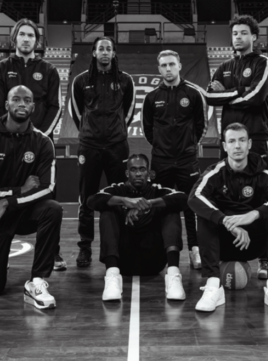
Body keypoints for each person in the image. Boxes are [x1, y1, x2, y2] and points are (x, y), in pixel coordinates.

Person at [0, 85, 62, 309]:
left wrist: (6, 202)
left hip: (20, 212)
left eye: (27, 100)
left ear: (33, 107)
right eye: (16, 99)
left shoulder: (42, 141)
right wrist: (18, 190)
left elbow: (47, 188)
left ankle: (37, 281)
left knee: (52, 209)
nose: (22, 104)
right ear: (6, 104)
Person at [188, 123, 268, 314]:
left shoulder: (262, 173)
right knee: (204, 214)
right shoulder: (215, 172)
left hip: (253, 243)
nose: (237, 146)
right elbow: (193, 198)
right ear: (224, 146)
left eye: (242, 140)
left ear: (249, 144)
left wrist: (254, 214)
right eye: (232, 141)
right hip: (222, 243)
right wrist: (227, 222)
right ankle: (213, 285)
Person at [0, 18, 65, 270]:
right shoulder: (0, 68)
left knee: (48, 197)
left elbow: (55, 107)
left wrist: (39, 137)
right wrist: (9, 134)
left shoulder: (49, 69)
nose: (26, 39)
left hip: (41, 144)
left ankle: (53, 253)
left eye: (31, 35)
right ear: (14, 38)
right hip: (8, 144)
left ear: (36, 41)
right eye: (22, 34)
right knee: (6, 192)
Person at [205, 14, 268, 280]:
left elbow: (257, 96)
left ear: (253, 36)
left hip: (256, 136)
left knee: (262, 196)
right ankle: (232, 247)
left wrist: (229, 92)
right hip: (230, 139)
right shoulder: (224, 66)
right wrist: (240, 90)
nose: (238, 37)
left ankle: (265, 258)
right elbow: (210, 96)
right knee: (228, 195)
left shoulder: (263, 62)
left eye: (243, 33)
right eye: (235, 33)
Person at [69, 37, 136, 267]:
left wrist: (118, 132)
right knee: (87, 198)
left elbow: (128, 111)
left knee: (119, 196)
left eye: (109, 49)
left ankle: (120, 245)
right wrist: (89, 132)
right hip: (89, 146)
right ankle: (85, 247)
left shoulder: (125, 80)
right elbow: (76, 112)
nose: (105, 52)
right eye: (101, 49)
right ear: (94, 53)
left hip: (117, 146)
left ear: (114, 53)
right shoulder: (80, 80)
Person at [87, 154, 188, 301]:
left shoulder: (158, 190)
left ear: (149, 173)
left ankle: (173, 275)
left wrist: (146, 204)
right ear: (127, 173)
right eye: (134, 170)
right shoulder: (117, 189)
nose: (138, 173)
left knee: (171, 208)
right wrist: (124, 201)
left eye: (142, 169)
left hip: (153, 261)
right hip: (122, 261)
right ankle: (112, 277)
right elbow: (92, 200)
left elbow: (184, 199)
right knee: (107, 210)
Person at [142, 50, 207, 270]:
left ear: (179, 66)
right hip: (161, 162)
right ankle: (163, 250)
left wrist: (189, 146)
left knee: (192, 206)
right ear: (159, 69)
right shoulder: (151, 97)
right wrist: (162, 147)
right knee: (162, 206)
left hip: (187, 161)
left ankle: (195, 250)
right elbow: (148, 129)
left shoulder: (194, 93)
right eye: (163, 65)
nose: (168, 69)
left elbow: (201, 125)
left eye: (171, 64)